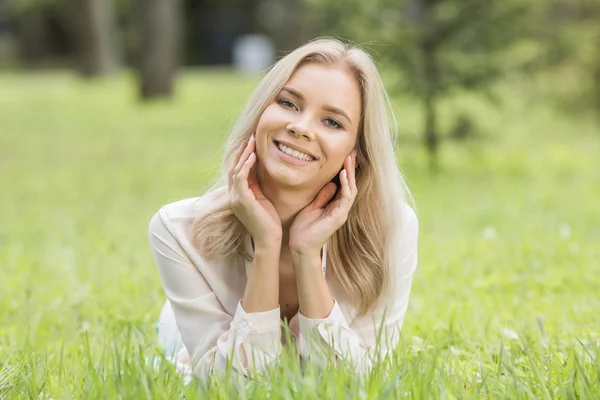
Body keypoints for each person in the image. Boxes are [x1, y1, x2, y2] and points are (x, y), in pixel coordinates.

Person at [148, 38, 418, 384]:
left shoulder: (392, 230)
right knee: (179, 350)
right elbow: (230, 388)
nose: (301, 128)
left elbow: (356, 385)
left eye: (333, 122)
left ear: (357, 156)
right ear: (260, 113)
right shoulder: (178, 230)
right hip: (188, 326)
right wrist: (266, 245)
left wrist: (306, 255)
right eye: (289, 103)